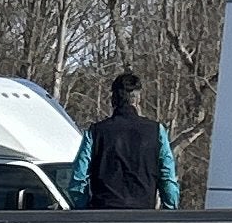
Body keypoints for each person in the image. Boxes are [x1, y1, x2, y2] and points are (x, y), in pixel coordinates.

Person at [66, 72, 183, 210]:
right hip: (143, 217)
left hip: (102, 216)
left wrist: (84, 210)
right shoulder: (157, 131)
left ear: (113, 99)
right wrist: (170, 209)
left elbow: (78, 181)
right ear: (138, 99)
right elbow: (168, 178)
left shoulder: (95, 132)